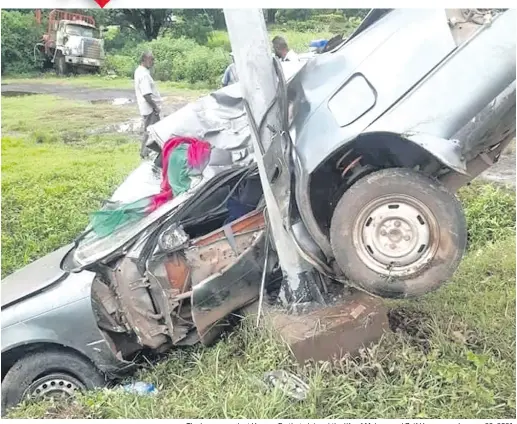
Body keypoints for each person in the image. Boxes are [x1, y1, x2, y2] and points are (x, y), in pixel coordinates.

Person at [134, 51, 162, 158]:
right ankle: (145, 153)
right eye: (151, 59)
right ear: (144, 60)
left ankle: (146, 153)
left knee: (150, 131)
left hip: (147, 108)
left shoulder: (140, 71)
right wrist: (155, 107)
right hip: (150, 109)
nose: (153, 62)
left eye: (153, 59)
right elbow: (146, 95)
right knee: (152, 132)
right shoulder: (144, 74)